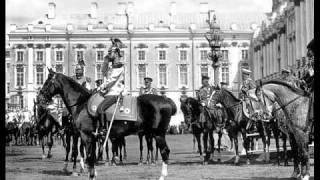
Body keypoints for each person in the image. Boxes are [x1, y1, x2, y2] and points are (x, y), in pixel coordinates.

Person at [96, 38, 126, 134]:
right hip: (109, 93)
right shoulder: (112, 66)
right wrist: (105, 61)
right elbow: (103, 73)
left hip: (114, 93)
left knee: (100, 109)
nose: (109, 54)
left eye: (110, 52)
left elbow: (111, 80)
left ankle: (103, 129)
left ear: (116, 54)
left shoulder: (119, 66)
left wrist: (100, 87)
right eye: (108, 52)